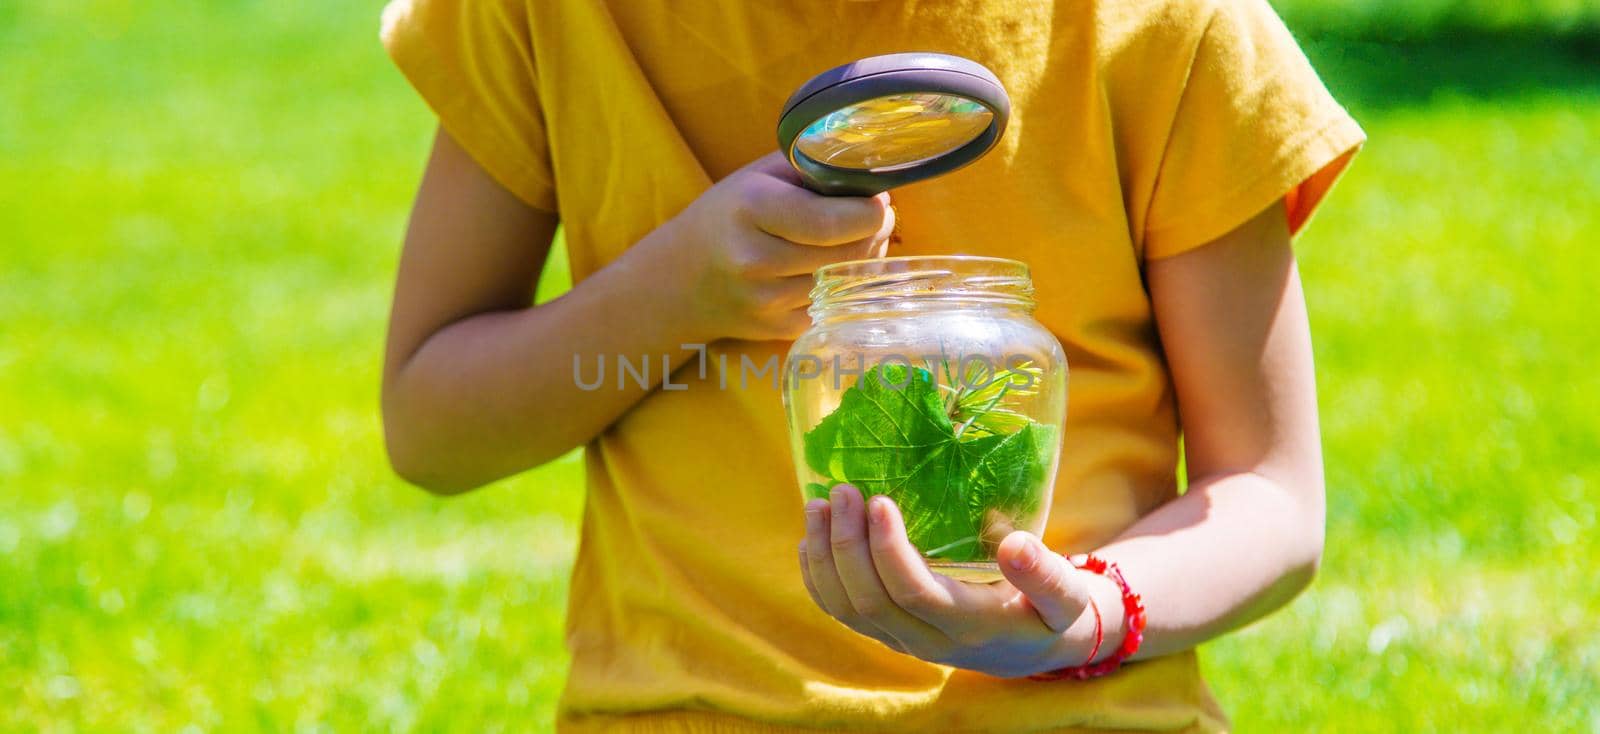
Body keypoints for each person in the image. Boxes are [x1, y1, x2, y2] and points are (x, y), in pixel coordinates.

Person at [377, 0, 1364, 731]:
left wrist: (1084, 613)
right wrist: (675, 289)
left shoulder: (1166, 24)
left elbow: (1269, 495)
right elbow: (431, 425)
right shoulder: (546, 18)